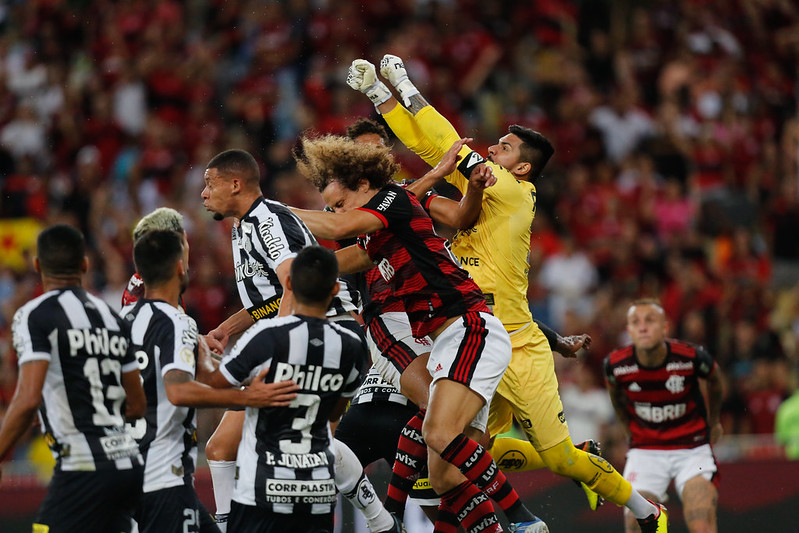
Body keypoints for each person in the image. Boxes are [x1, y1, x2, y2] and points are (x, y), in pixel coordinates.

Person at [345, 54, 668, 532]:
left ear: (522, 169)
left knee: (554, 460)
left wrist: (399, 90)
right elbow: (440, 158)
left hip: (514, 344)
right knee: (458, 450)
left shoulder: (516, 193)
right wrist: (384, 100)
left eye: (505, 146)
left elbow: (446, 145)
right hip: (475, 334)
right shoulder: (484, 194)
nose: (493, 147)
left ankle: (647, 512)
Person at [292, 134, 547, 533]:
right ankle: (401, 515)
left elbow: (341, 225)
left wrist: (268, 210)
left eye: (340, 202)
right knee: (443, 474)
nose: (336, 212)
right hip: (449, 340)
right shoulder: (377, 236)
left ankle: (522, 519)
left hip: (469, 326)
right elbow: (333, 258)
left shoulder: (392, 202)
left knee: (439, 431)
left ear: (363, 186)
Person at [200, 148, 399, 533]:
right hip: (301, 331)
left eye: (210, 183)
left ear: (235, 184)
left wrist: (283, 340)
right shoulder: (245, 225)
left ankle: (379, 522)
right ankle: (382, 523)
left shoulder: (268, 219)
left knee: (307, 437)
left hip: (327, 329)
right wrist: (229, 327)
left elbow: (295, 280)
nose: (204, 193)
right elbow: (276, 294)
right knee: (221, 447)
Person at [123, 229, 299, 532]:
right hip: (162, 479)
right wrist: (248, 398)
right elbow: (178, 391)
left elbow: (210, 377)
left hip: (123, 475)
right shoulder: (176, 321)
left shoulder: (123, 321)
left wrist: (249, 381)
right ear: (179, 267)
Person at [202, 246, 366, 533]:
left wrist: (198, 350)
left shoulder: (266, 337)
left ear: (288, 284)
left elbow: (214, 385)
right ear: (336, 289)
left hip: (262, 491)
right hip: (317, 492)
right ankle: (379, 517)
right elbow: (334, 412)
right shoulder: (351, 346)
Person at [0, 224, 146, 532]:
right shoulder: (112, 317)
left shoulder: (34, 314)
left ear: (37, 265)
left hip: (82, 467)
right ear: (85, 264)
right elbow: (137, 405)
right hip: (128, 465)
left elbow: (26, 401)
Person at [605, 299, 723, 533]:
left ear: (665, 327)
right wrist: (628, 430)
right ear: (628, 330)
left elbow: (715, 380)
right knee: (636, 526)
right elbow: (616, 397)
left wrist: (714, 421)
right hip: (645, 452)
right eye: (635, 322)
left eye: (650, 320)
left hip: (692, 449)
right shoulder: (616, 365)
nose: (643, 327)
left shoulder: (690, 357)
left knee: (701, 522)